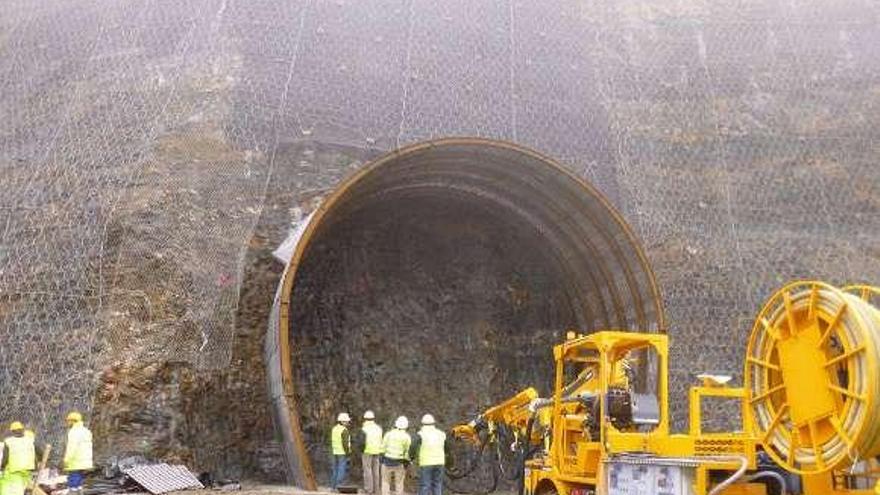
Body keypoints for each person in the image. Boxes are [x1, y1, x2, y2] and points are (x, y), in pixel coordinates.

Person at [409, 414, 450, 495]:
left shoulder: (420, 434)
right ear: (433, 423)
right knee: (437, 485)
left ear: (423, 423)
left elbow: (413, 447)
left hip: (426, 463)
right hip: (440, 462)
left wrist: (411, 457)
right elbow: (447, 449)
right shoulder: (441, 434)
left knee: (425, 485)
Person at [1, 421, 38, 495]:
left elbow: (5, 457)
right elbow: (38, 453)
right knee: (24, 486)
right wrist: (36, 466)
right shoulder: (30, 440)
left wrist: (2, 467)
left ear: (12, 431)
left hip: (15, 470)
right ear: (22, 430)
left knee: (15, 489)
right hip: (28, 469)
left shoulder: (9, 441)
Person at [63, 411, 94, 494]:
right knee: (79, 479)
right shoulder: (86, 431)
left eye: (69, 421)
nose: (68, 423)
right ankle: (80, 492)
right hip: (85, 460)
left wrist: (66, 459)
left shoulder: (74, 432)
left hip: (76, 460)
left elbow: (72, 447)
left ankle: (72, 493)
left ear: (73, 421)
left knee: (73, 479)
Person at [380, 416, 411, 495]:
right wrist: (407, 462)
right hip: (399, 462)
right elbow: (407, 452)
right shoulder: (407, 437)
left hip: (387, 460)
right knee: (399, 483)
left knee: (385, 482)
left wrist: (381, 459)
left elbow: (383, 448)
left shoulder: (388, 434)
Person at [357, 411, 383, 495]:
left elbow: (361, 442)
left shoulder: (364, 429)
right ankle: (377, 490)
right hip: (377, 451)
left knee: (367, 471)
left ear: (365, 419)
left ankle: (368, 490)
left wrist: (361, 450)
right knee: (376, 471)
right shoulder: (378, 428)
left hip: (367, 451)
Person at [330, 412, 352, 490]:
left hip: (334, 451)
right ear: (342, 421)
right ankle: (338, 486)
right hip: (342, 452)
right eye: (346, 421)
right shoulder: (344, 430)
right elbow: (345, 443)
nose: (347, 423)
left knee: (335, 470)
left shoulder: (334, 428)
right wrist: (348, 452)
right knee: (341, 470)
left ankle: (333, 487)